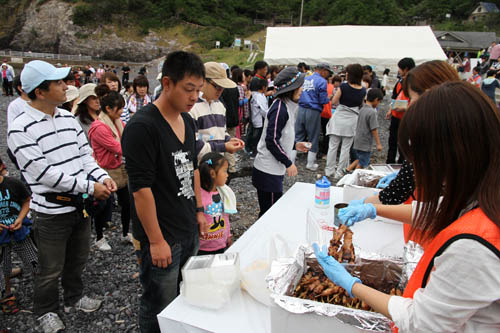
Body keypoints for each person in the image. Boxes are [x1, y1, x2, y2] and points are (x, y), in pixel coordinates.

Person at [316, 81, 500, 332]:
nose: (418, 169)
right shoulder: (485, 193)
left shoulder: (474, 246)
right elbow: (436, 209)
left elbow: (422, 322)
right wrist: (373, 209)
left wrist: (351, 285)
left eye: (420, 158)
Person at [8, 60, 115, 332]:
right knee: (49, 268)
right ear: (40, 92)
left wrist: (100, 175)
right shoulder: (20, 129)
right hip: (50, 212)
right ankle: (45, 311)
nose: (66, 86)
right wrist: (90, 187)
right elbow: (44, 174)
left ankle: (74, 298)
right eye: (58, 83)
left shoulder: (67, 117)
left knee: (78, 258)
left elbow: (84, 156)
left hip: (79, 206)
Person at [121, 51, 209, 333]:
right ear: (168, 83)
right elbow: (140, 190)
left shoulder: (188, 121)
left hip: (188, 228)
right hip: (162, 236)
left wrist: (199, 210)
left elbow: (193, 169)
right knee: (157, 304)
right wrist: (156, 241)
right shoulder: (142, 127)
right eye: (189, 89)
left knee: (185, 297)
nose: (195, 96)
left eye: (199, 89)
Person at [252, 67, 309, 217]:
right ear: (292, 89)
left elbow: (281, 135)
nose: (302, 89)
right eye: (300, 86)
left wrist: (295, 145)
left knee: (271, 210)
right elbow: (271, 140)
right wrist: (288, 162)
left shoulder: (287, 106)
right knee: (269, 213)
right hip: (267, 171)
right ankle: (263, 239)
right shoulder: (280, 109)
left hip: (273, 170)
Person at [88, 90, 132, 249]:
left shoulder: (117, 122)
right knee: (102, 205)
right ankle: (99, 237)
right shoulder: (99, 127)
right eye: (118, 108)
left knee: (126, 203)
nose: (121, 112)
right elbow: (119, 147)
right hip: (104, 170)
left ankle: (126, 233)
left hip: (119, 168)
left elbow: (128, 134)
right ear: (108, 109)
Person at [189, 62, 245, 161]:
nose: (220, 90)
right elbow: (194, 145)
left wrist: (228, 139)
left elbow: (220, 131)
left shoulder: (219, 106)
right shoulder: (191, 107)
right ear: (203, 81)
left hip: (217, 165)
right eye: (217, 86)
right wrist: (224, 146)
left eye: (223, 87)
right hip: (200, 168)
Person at [0, 167, 37, 315]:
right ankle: (6, 294)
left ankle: (42, 290)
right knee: (4, 267)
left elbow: (27, 201)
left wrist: (20, 218)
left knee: (34, 260)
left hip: (19, 231)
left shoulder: (14, 184)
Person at [325, 64, 366, 178]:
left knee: (333, 146)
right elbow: (361, 105)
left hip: (339, 118)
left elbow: (334, 101)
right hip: (352, 121)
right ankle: (340, 173)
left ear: (351, 74)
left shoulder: (343, 87)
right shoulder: (363, 90)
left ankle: (329, 171)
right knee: (345, 149)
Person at [293, 63, 333, 170]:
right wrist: (329, 98)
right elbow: (322, 99)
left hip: (301, 108)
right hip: (313, 110)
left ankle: (291, 161)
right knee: (313, 137)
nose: (328, 75)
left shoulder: (306, 78)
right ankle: (310, 164)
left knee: (298, 135)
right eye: (328, 73)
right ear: (323, 70)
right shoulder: (322, 81)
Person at [197, 153, 235, 255]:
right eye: (224, 171)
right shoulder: (198, 196)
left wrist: (228, 235)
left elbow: (225, 216)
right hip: (201, 249)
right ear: (212, 173)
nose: (227, 175)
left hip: (220, 245)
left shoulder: (222, 193)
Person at [345, 88, 383, 172]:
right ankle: (354, 175)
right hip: (365, 141)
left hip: (358, 138)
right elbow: (374, 129)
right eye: (379, 102)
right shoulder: (372, 112)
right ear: (376, 99)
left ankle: (348, 169)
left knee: (360, 158)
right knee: (363, 162)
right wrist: (378, 144)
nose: (378, 104)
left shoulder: (362, 109)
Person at [386, 57, 415, 164]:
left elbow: (417, 101)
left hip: (406, 118)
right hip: (396, 115)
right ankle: (390, 161)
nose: (398, 70)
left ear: (406, 69)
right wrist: (390, 109)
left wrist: (405, 108)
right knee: (392, 141)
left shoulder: (415, 82)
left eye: (399, 68)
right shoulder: (400, 82)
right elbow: (394, 96)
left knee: (403, 143)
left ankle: (402, 164)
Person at [219, 73, 240, 174]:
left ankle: (225, 169)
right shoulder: (233, 86)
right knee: (230, 142)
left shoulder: (218, 99)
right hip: (234, 118)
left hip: (225, 120)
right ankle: (232, 167)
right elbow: (237, 101)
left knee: (225, 144)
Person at [245, 78, 269, 157]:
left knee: (253, 135)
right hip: (258, 120)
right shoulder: (258, 96)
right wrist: (268, 117)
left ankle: (250, 149)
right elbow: (263, 110)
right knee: (256, 137)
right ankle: (254, 152)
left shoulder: (255, 95)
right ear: (263, 87)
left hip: (254, 119)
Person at [232, 68, 250, 139]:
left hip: (238, 113)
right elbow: (239, 102)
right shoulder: (239, 88)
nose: (244, 77)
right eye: (243, 75)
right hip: (240, 113)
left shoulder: (237, 86)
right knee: (239, 130)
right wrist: (247, 98)